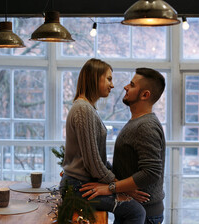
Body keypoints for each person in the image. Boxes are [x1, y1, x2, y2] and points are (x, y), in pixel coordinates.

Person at [60, 58, 148, 224]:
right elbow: (93, 163)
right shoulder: (83, 110)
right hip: (79, 188)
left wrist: (121, 185)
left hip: (83, 185)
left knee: (130, 209)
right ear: (94, 78)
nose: (113, 85)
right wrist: (121, 187)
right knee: (136, 212)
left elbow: (98, 160)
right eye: (108, 79)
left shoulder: (87, 108)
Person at [80, 68, 166, 224]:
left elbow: (151, 172)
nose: (125, 87)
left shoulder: (146, 126)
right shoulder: (137, 122)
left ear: (145, 95)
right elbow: (126, 167)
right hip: (131, 209)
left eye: (132, 85)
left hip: (144, 215)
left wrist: (110, 188)